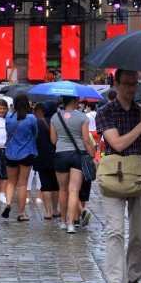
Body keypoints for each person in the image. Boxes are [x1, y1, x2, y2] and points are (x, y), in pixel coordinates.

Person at [95, 69, 141, 283]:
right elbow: (118, 144)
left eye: (135, 84)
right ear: (116, 84)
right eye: (127, 84)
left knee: (139, 233)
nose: (132, 89)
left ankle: (133, 279)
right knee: (115, 232)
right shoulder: (105, 112)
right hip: (114, 176)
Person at [50, 96, 96, 234]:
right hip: (77, 155)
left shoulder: (55, 117)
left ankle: (63, 221)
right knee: (74, 190)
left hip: (61, 154)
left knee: (62, 190)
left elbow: (53, 140)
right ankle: (71, 224)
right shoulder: (83, 117)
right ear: (74, 101)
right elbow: (86, 139)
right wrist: (93, 153)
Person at [2, 93, 38, 221]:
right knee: (23, 184)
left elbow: (7, 132)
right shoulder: (31, 118)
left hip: (11, 152)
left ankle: (8, 204)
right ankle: (21, 213)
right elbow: (35, 134)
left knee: (11, 182)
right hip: (27, 153)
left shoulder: (8, 117)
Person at [34, 102, 60, 220]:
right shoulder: (59, 122)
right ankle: (55, 210)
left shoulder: (38, 123)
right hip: (57, 156)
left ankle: (48, 212)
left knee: (45, 185)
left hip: (42, 157)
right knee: (56, 185)